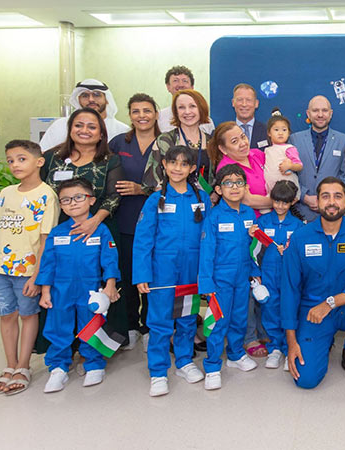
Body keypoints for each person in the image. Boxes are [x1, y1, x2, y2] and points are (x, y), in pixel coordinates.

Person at [281, 177, 345, 388]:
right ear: (317, 202)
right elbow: (289, 290)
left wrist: (331, 302)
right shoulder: (300, 238)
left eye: (338, 196)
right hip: (313, 312)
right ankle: (322, 341)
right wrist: (291, 343)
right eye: (325, 196)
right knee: (306, 380)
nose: (331, 202)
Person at [38, 107, 125, 354]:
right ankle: (62, 348)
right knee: (60, 288)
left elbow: (113, 195)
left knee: (96, 288)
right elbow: (36, 189)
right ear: (70, 129)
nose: (84, 130)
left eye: (91, 126)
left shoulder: (110, 159)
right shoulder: (52, 157)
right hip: (58, 230)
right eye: (79, 125)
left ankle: (96, 349)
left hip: (97, 228)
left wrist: (94, 221)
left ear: (101, 134)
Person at [0, 140, 59, 395]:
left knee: (27, 315)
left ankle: (24, 365)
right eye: (11, 160)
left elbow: (46, 239)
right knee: (6, 315)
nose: (15, 164)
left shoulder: (47, 195)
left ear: (39, 161)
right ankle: (10, 365)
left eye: (21, 158)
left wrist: (37, 275)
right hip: (0, 268)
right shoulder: (6, 193)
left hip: (27, 271)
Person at [133, 146, 211, 397]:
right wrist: (142, 274)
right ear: (164, 165)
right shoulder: (156, 199)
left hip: (191, 270)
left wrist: (206, 272)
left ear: (191, 169)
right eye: (173, 163)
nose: (178, 168)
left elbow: (208, 238)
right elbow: (143, 239)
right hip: (162, 271)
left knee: (187, 317)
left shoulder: (201, 198)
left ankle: (184, 361)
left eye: (184, 164)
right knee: (160, 321)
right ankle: (158, 371)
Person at [36, 178, 120, 392]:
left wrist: (110, 285)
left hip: (90, 290)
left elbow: (110, 258)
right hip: (60, 290)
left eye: (78, 197)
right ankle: (58, 368)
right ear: (61, 205)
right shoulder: (57, 233)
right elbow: (47, 263)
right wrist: (45, 291)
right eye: (66, 200)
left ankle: (93, 365)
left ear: (91, 200)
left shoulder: (101, 231)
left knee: (91, 326)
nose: (72, 203)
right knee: (58, 327)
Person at [208, 121, 272, 357]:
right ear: (224, 149)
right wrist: (281, 201)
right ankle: (248, 337)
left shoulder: (256, 155)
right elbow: (248, 200)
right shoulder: (228, 168)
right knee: (244, 290)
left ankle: (263, 330)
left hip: (262, 230)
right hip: (241, 233)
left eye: (243, 137)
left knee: (261, 282)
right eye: (234, 141)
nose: (242, 142)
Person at [199, 164, 261, 390]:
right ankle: (213, 365)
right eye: (228, 183)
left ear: (245, 187)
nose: (234, 187)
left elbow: (251, 247)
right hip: (220, 280)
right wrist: (206, 282)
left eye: (239, 183)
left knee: (239, 318)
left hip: (242, 277)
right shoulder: (213, 217)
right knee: (218, 322)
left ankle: (235, 355)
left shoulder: (248, 214)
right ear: (218, 188)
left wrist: (254, 272)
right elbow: (206, 251)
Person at [109, 93, 160, 351]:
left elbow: (173, 181)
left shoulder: (165, 143)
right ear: (130, 115)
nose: (142, 115)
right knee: (127, 275)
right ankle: (130, 326)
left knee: (153, 275)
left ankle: (150, 325)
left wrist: (142, 190)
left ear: (156, 114)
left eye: (147, 110)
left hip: (157, 221)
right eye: (136, 111)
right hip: (125, 219)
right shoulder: (119, 142)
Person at [256, 180, 305, 370]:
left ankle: (289, 347)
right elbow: (253, 250)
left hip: (290, 276)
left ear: (292, 202)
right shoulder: (263, 222)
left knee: (289, 309)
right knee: (270, 308)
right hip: (268, 274)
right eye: (276, 201)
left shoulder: (299, 225)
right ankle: (275, 347)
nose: (280, 206)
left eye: (285, 202)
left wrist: (291, 253)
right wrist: (255, 274)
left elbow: (302, 253)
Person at [288, 95, 345, 222]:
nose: (320, 115)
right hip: (300, 211)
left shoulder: (343, 140)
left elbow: (344, 176)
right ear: (308, 114)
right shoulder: (294, 139)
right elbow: (289, 174)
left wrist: (330, 198)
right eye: (315, 111)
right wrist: (304, 196)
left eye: (324, 110)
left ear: (331, 113)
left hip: (332, 210)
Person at [142, 89, 213, 192]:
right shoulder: (165, 140)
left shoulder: (211, 142)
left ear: (201, 109)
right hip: (172, 202)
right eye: (181, 107)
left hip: (205, 202)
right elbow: (151, 181)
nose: (187, 112)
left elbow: (217, 178)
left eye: (192, 106)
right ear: (176, 112)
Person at [39, 79, 130, 152]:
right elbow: (43, 155)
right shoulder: (60, 125)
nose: (91, 99)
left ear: (107, 100)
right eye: (85, 95)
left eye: (97, 95)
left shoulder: (122, 130)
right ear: (78, 100)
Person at [157, 65, 215, 134]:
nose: (181, 85)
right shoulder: (160, 116)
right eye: (175, 81)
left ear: (192, 87)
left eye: (185, 81)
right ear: (168, 87)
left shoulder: (206, 120)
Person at [263, 113, 303, 196]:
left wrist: (290, 166)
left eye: (284, 130)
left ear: (289, 133)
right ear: (269, 133)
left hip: (286, 189)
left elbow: (299, 165)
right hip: (271, 190)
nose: (280, 133)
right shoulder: (267, 150)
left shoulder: (289, 148)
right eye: (276, 130)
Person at [232, 83, 269, 151]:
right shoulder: (223, 133)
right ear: (233, 103)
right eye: (240, 100)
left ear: (256, 103)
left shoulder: (268, 132)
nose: (244, 104)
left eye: (249, 100)